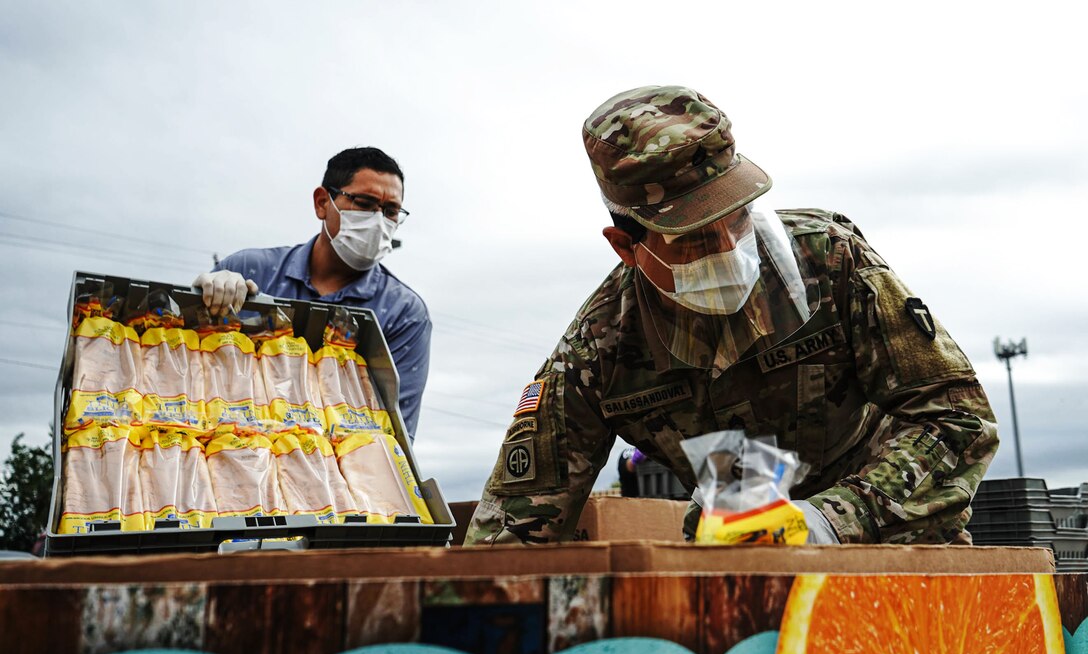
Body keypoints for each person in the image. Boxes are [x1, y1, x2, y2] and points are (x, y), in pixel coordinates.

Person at [465, 85, 998, 546]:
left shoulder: (829, 262)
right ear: (626, 247)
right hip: (736, 553)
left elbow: (959, 420)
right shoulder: (598, 349)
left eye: (737, 216)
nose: (728, 247)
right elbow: (513, 525)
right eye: (695, 237)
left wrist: (829, 521)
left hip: (895, 537)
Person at [193, 147, 431, 438]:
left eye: (391, 211)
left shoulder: (403, 312)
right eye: (365, 203)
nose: (379, 221)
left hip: (336, 471)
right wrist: (199, 303)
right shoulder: (250, 271)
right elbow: (188, 368)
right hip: (233, 447)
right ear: (322, 203)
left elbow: (394, 434)